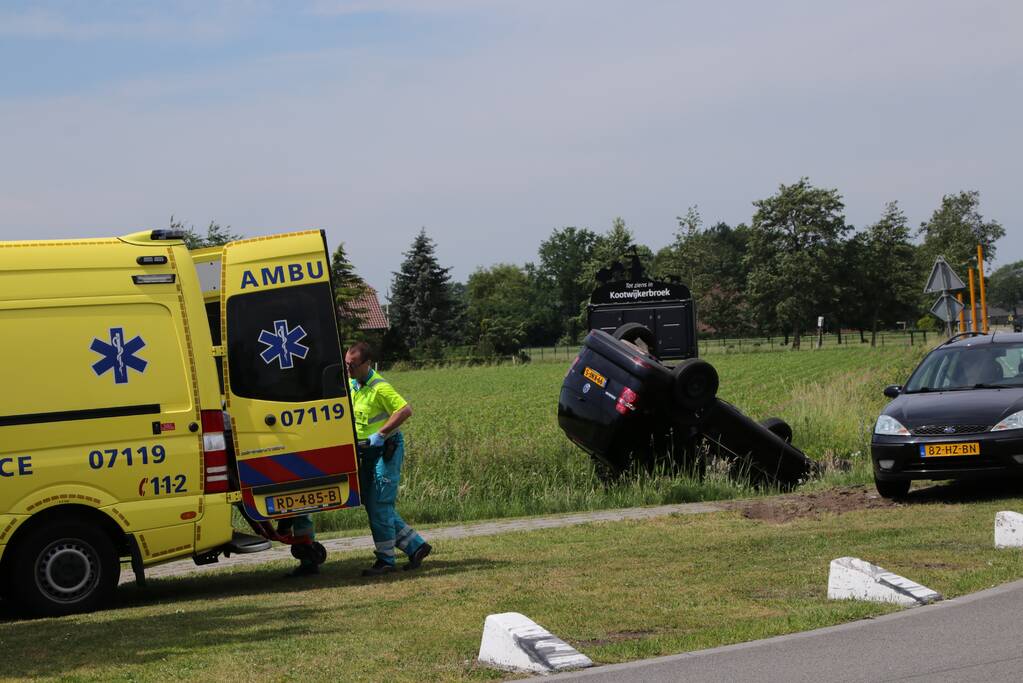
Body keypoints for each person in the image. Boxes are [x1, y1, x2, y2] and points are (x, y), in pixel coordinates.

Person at [346, 341, 432, 576]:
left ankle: (386, 561)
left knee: (380, 504)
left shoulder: (380, 387)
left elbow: (405, 410)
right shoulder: (354, 385)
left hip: (386, 450)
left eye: (352, 366)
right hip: (368, 452)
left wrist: (381, 434)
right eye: (346, 365)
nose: (348, 370)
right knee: (370, 501)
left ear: (367, 363)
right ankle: (416, 546)